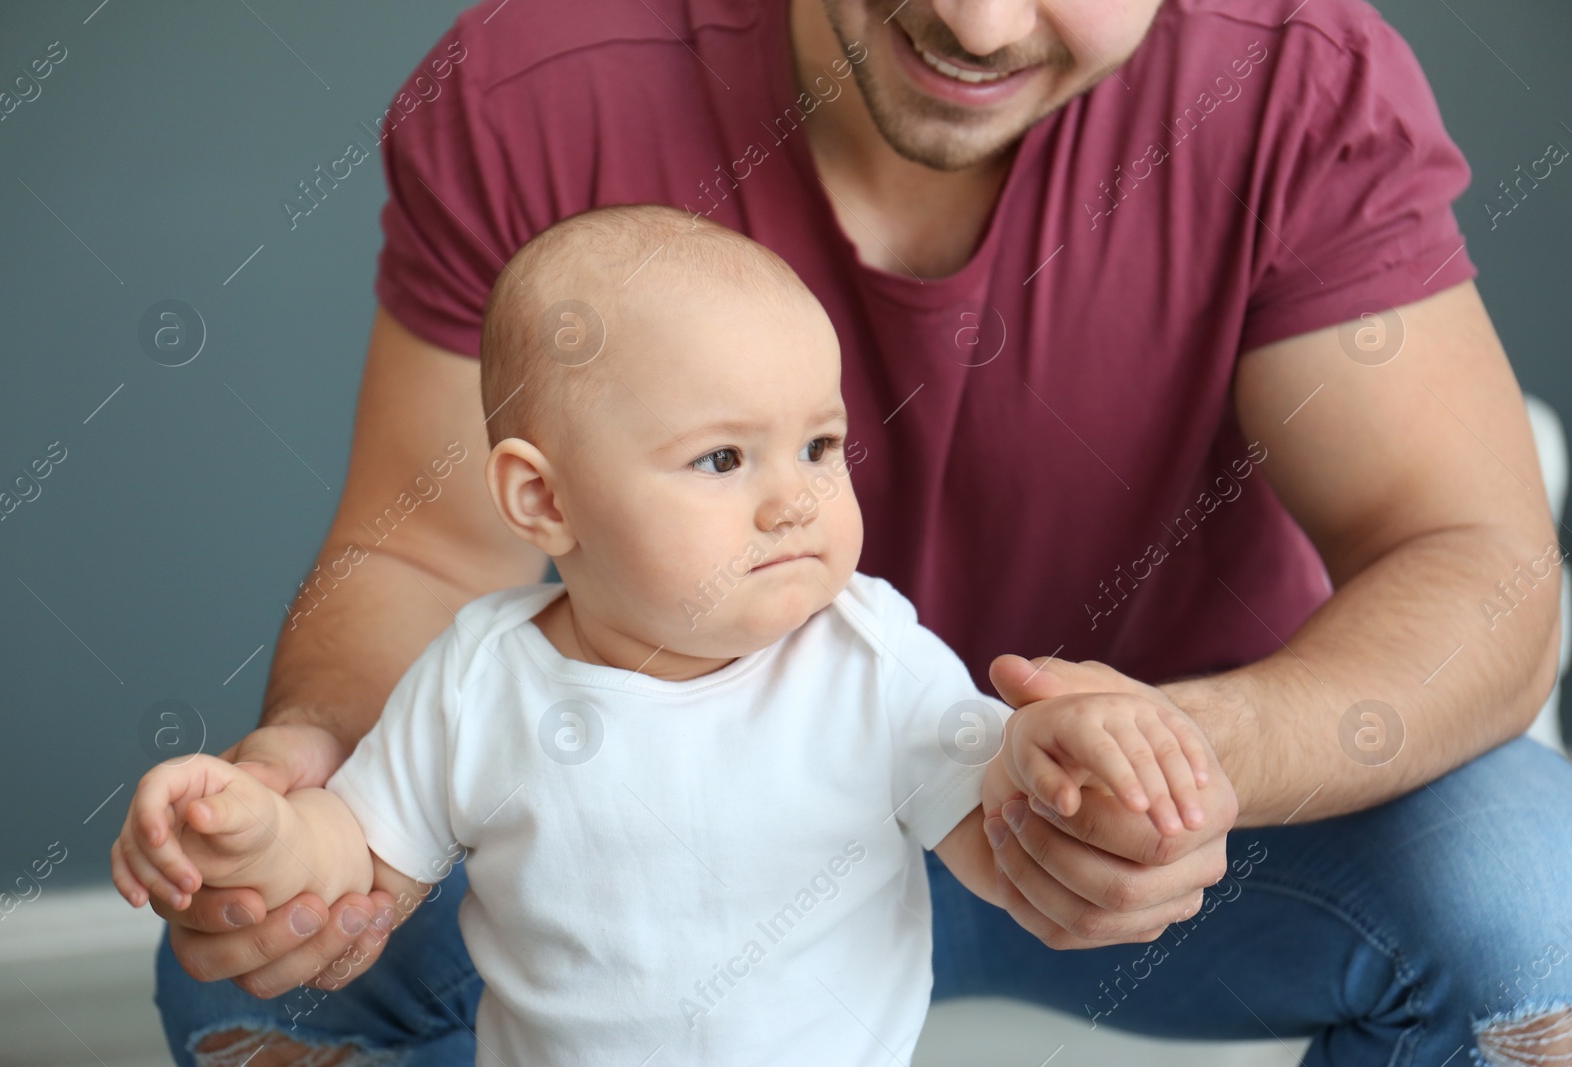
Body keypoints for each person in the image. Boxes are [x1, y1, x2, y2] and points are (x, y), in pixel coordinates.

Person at [142, 0, 1572, 1063]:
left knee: (1541, 906)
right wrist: (289, 789)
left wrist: (1186, 760)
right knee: (254, 979)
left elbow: (1481, 561)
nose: (980, 20)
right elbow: (426, 552)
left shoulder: (1295, 85)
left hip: (1109, 816)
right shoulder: (538, 87)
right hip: (626, 864)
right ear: (545, 490)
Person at [118, 205, 1215, 1065]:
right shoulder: (481, 678)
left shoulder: (864, 656)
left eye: (821, 444)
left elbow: (994, 825)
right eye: (723, 459)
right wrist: (257, 834)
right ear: (544, 503)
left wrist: (1072, 758)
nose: (793, 499)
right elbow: (358, 867)